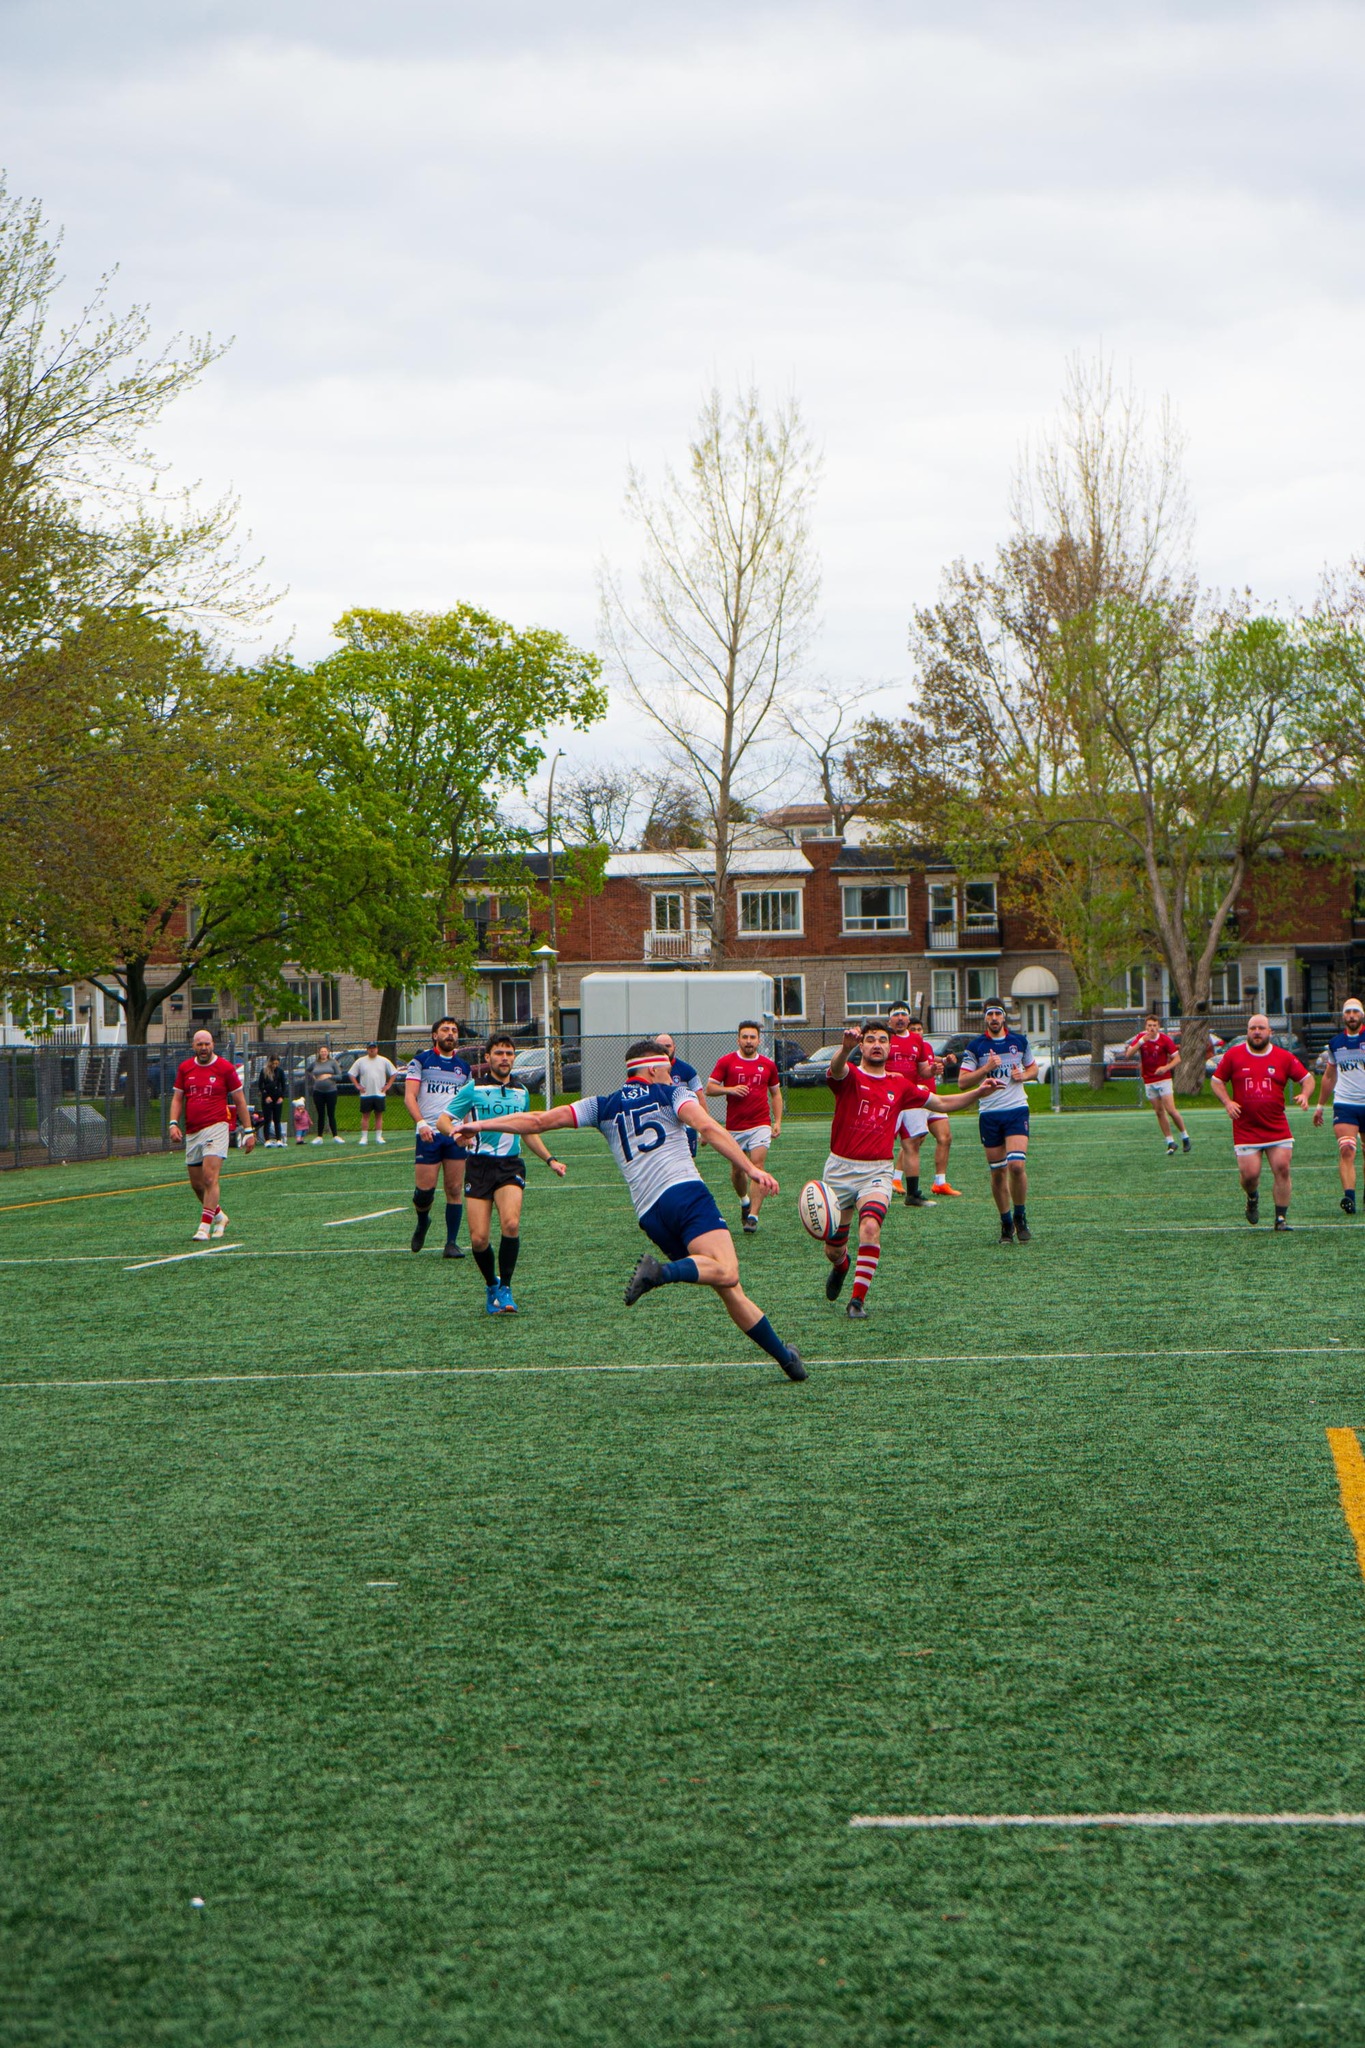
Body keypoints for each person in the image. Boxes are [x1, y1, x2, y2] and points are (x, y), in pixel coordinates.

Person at [453, 1038, 806, 1380]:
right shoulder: (672, 1093)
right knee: (727, 1272)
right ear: (652, 1071)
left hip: (650, 1214)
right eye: (667, 1070)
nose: (672, 1076)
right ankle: (660, 1273)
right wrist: (751, 1168)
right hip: (685, 1194)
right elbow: (707, 1128)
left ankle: (786, 1360)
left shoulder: (602, 1104)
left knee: (728, 1287)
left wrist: (480, 1124)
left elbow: (537, 1121)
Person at [822, 1023, 996, 1318]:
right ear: (862, 1047)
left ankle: (857, 1301)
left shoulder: (899, 1084)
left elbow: (940, 1102)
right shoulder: (850, 1076)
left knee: (870, 1228)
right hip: (839, 1169)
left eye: (882, 1040)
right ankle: (841, 1264)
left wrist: (979, 1092)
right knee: (833, 1249)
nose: (876, 1044)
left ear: (890, 1048)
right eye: (870, 1040)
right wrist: (844, 1048)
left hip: (876, 1170)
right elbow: (837, 1068)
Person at [434, 1033, 568, 1313]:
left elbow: (528, 1130)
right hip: (479, 1167)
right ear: (487, 1058)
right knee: (479, 1239)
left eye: (509, 1053)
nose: (504, 1058)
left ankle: (506, 1288)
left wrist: (550, 1160)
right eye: (499, 1053)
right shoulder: (474, 1088)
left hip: (510, 1166)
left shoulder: (522, 1092)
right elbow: (443, 1120)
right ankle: (491, 1285)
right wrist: (456, 1133)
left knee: (510, 1224)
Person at [1210, 1013, 1315, 1230]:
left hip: (1276, 1125)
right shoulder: (1234, 1056)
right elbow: (1216, 1080)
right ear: (1247, 1032)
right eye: (1252, 1028)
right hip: (1246, 1127)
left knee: (1282, 1168)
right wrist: (1228, 1102)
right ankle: (1252, 1197)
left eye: (1261, 1028)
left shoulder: (1283, 1057)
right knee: (1250, 1175)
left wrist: (1305, 1095)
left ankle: (1281, 1219)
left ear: (1270, 1032)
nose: (1256, 1032)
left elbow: (1308, 1079)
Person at [958, 1000, 1039, 1244]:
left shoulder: (1019, 1042)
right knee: (997, 1173)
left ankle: (1020, 1217)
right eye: (990, 1014)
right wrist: (986, 1069)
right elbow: (963, 1082)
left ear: (1004, 1018)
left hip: (1016, 1110)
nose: (994, 1018)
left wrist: (1023, 1075)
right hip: (990, 1114)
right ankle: (1005, 1222)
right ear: (985, 1018)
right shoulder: (976, 1047)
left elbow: (1033, 1069)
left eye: (998, 1014)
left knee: (1016, 1166)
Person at [167, 1030, 255, 1239]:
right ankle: (219, 1216)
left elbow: (240, 1100)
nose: (203, 1048)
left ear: (213, 1044)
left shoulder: (225, 1068)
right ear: (193, 1046)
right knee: (197, 1185)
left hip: (217, 1127)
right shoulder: (185, 1068)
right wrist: (173, 1124)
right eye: (200, 1044)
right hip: (192, 1131)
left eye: (207, 1044)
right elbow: (178, 1098)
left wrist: (249, 1130)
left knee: (209, 1177)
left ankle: (204, 1227)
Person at [404, 1016, 473, 1256]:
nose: (450, 1034)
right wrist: (421, 1123)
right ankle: (423, 1221)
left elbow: (467, 1103)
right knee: (424, 1192)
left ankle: (451, 1243)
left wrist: (469, 1130)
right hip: (428, 1134)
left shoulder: (464, 1067)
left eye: (454, 1030)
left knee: (455, 1189)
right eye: (445, 1029)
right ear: (435, 1035)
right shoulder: (421, 1061)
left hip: (453, 1135)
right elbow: (409, 1096)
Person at [706, 1020, 782, 1232]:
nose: (749, 1041)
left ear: (759, 1040)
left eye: (753, 1037)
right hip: (735, 1127)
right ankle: (744, 1201)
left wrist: (777, 1121)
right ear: (738, 1039)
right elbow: (710, 1089)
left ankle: (754, 1217)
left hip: (760, 1124)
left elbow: (776, 1094)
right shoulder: (726, 1062)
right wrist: (730, 1090)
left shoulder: (768, 1064)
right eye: (745, 1037)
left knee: (757, 1167)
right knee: (738, 1171)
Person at [885, 1001, 962, 1203]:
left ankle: (912, 1194)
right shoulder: (883, 1038)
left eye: (903, 1014)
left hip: (910, 1099)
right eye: (896, 1015)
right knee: (880, 1143)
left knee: (912, 1144)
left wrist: (933, 1070)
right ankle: (874, 1188)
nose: (900, 1018)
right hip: (887, 1097)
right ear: (889, 1020)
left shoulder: (917, 1042)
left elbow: (922, 1070)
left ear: (908, 1018)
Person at [1313, 996, 1365, 1214]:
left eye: (1355, 1011)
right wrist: (1320, 1105)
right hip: (1345, 1104)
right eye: (1347, 1012)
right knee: (1346, 1149)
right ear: (1343, 1016)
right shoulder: (1335, 1044)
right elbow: (1329, 1075)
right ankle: (1349, 1197)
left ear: (1362, 1014)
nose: (1351, 1015)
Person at [1125, 1013, 1191, 1155]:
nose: (1152, 1028)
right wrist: (1141, 1042)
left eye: (1154, 1026)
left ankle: (1185, 1136)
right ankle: (1170, 1142)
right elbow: (1128, 1054)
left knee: (1171, 1110)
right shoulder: (1141, 1038)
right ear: (1145, 1027)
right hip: (1149, 1080)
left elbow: (1177, 1059)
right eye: (1149, 1026)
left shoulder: (1165, 1040)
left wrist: (1165, 1068)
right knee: (1159, 1112)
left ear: (1158, 1027)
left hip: (1164, 1079)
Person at [655, 1031, 702, 1156]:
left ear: (674, 1047)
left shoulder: (687, 1070)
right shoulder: (648, 1070)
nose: (664, 1049)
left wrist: (703, 1128)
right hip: (659, 1125)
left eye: (668, 1046)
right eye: (660, 1046)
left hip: (685, 1126)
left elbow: (700, 1096)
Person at [350, 1040, 398, 1145]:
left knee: (379, 1115)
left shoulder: (384, 1060)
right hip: (366, 1093)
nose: (372, 1050)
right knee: (365, 1116)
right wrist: (357, 1085)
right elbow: (351, 1074)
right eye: (370, 1048)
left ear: (377, 1049)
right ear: (367, 1050)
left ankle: (379, 1136)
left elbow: (394, 1073)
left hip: (379, 1093)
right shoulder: (360, 1061)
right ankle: (364, 1137)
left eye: (374, 1048)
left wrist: (388, 1085)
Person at [308, 1044, 343, 1143]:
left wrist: (329, 1076)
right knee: (321, 1114)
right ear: (319, 1053)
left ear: (328, 1052)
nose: (323, 1053)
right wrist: (313, 1077)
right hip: (318, 1091)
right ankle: (319, 1136)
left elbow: (340, 1076)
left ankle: (335, 1135)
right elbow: (308, 1071)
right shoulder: (315, 1063)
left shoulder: (333, 1063)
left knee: (331, 1113)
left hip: (331, 1091)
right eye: (322, 1051)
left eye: (325, 1051)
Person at [257, 1054, 287, 1147]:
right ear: (270, 1062)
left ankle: (279, 1139)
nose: (275, 1065)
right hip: (267, 1099)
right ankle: (267, 1140)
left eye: (277, 1063)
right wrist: (266, 1096)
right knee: (267, 1120)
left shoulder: (280, 1071)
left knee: (277, 1119)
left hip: (277, 1098)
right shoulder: (264, 1071)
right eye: (273, 1063)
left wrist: (281, 1097)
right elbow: (260, 1085)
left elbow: (283, 1085)